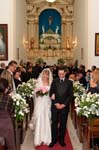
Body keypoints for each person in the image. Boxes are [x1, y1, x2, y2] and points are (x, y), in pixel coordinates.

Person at [49, 67, 73, 147]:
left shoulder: (69, 82)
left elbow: (70, 95)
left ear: (65, 73)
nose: (61, 75)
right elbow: (51, 93)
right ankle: (53, 139)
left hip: (64, 107)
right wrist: (56, 103)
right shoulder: (54, 81)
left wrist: (63, 105)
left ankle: (61, 139)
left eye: (62, 74)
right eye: (59, 74)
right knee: (54, 123)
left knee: (63, 123)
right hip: (55, 106)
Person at [30, 68, 53, 146]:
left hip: (47, 102)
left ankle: (46, 137)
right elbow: (34, 92)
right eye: (44, 74)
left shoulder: (50, 82)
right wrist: (39, 92)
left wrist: (48, 93)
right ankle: (38, 138)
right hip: (40, 102)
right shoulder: (38, 81)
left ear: (48, 75)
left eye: (47, 74)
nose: (45, 76)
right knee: (39, 117)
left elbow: (52, 92)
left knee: (46, 118)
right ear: (42, 74)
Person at [0, 78, 15, 150]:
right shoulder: (9, 98)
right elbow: (12, 113)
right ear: (6, 89)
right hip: (5, 123)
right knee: (11, 144)